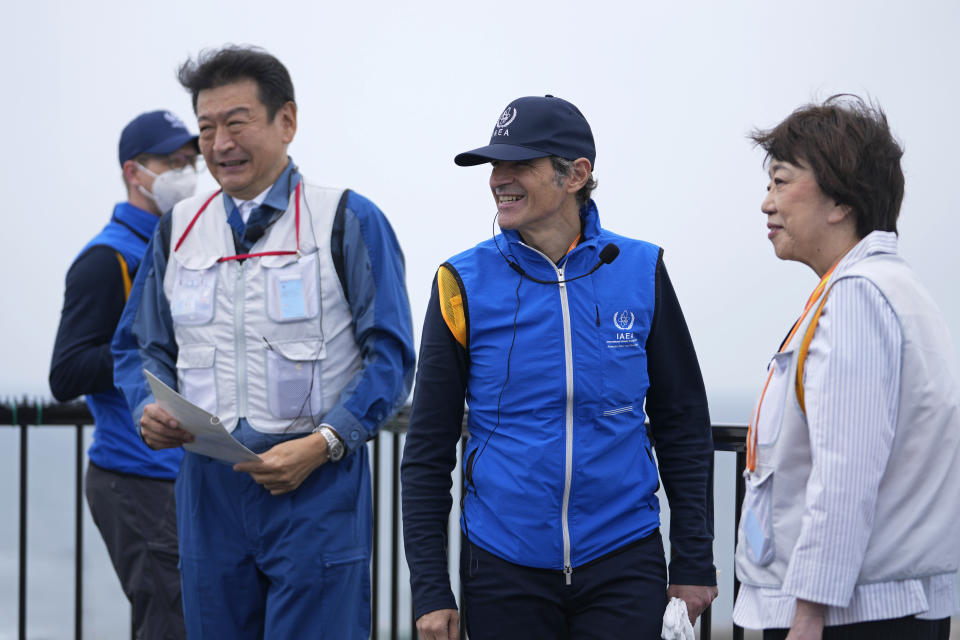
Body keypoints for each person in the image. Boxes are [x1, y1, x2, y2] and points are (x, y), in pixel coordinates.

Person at [111, 46, 415, 639]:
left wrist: (325, 443)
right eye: (206, 127)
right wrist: (146, 406)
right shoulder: (177, 230)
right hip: (208, 493)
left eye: (236, 121)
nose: (220, 142)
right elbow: (138, 346)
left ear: (287, 121)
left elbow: (391, 357)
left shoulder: (346, 219)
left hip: (315, 488)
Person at [401, 95, 717, 640]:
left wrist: (693, 561)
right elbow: (427, 446)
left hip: (624, 556)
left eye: (519, 163)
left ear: (576, 174)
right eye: (494, 165)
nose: (500, 178)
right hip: (502, 563)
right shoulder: (460, 281)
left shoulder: (640, 268)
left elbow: (683, 421)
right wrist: (431, 588)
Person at [733, 95, 960, 640]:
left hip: (848, 615)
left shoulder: (857, 297)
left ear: (840, 202)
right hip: (895, 600)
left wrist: (809, 615)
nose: (767, 204)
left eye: (781, 181)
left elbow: (845, 475)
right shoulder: (898, 288)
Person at [49, 109, 198, 640]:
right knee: (170, 623)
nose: (186, 172)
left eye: (189, 161)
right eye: (171, 162)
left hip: (177, 473)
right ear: (135, 172)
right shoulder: (106, 259)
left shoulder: (176, 247)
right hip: (134, 476)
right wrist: (157, 355)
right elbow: (65, 373)